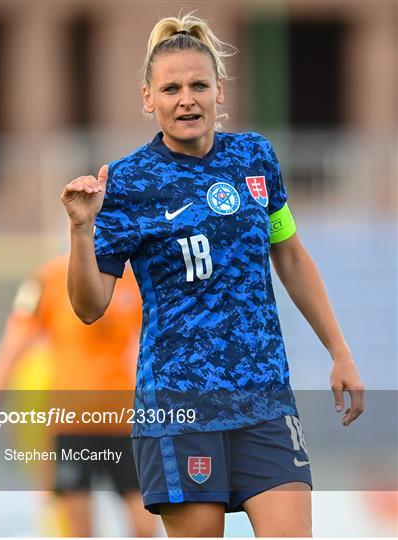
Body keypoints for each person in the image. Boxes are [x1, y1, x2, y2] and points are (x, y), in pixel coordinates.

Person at [61, 13, 365, 538]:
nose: (187, 99)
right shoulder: (128, 182)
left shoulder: (255, 159)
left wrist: (339, 350)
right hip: (180, 407)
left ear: (219, 91)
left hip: (265, 400)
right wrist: (82, 231)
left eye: (199, 85)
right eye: (171, 88)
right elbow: (90, 306)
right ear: (147, 98)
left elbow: (289, 255)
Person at [0, 255, 158, 537]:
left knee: (144, 523)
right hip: (72, 421)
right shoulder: (49, 278)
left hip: (123, 421)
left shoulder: (134, 280)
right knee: (79, 527)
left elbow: (148, 349)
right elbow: (14, 344)